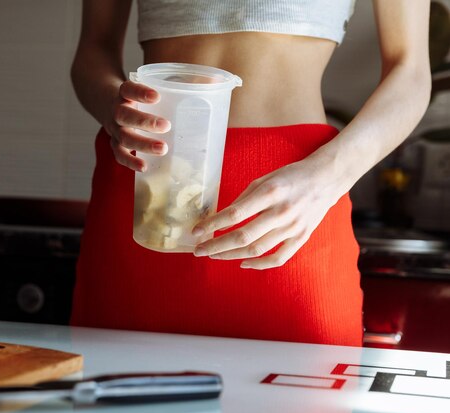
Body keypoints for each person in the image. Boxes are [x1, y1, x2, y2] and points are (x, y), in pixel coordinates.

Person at [69, 0, 431, 346]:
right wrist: (114, 108)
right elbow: (93, 52)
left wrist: (327, 176)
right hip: (149, 187)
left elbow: (410, 72)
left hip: (297, 202)